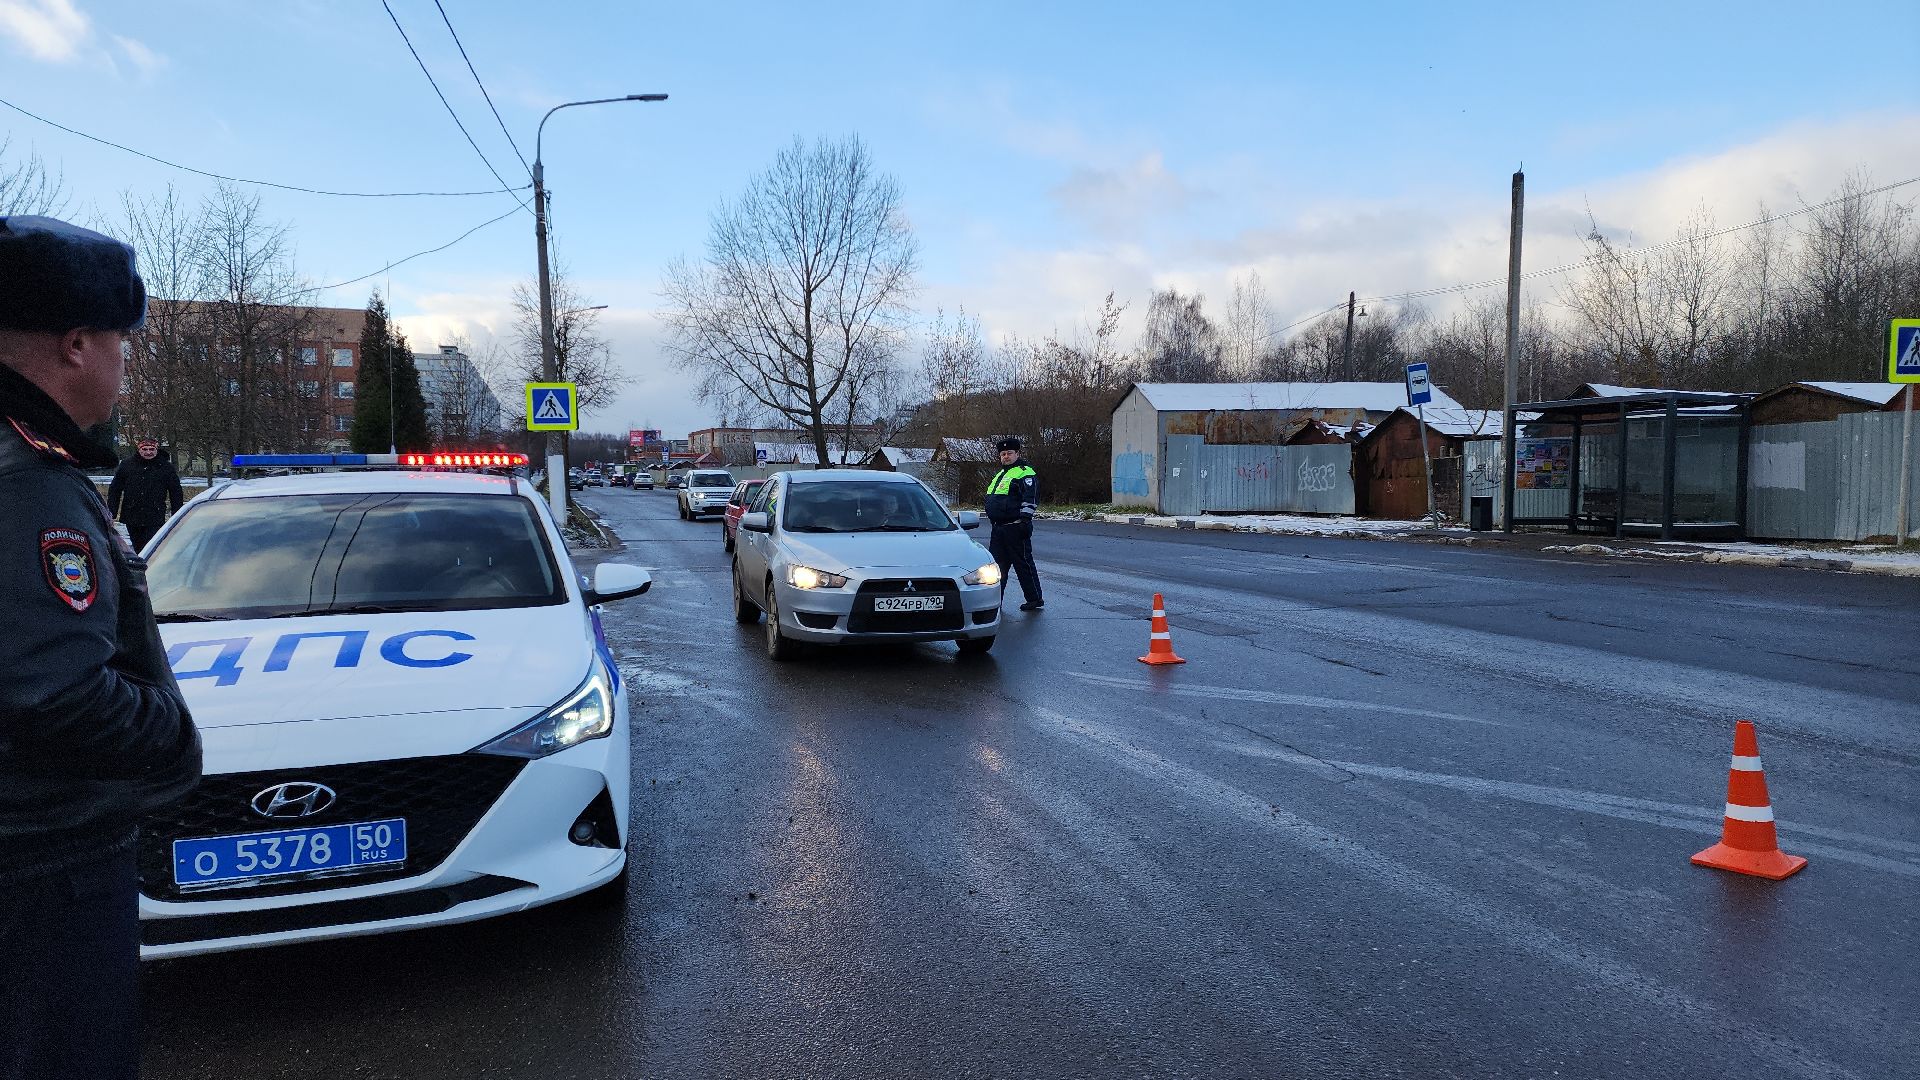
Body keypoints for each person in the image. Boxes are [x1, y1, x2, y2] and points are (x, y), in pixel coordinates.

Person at [0, 215, 202, 1080]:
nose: (126, 366)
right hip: (46, 865)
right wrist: (169, 731)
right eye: (123, 341)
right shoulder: (29, 485)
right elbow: (51, 692)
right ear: (77, 343)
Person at [984, 436, 1043, 611]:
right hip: (999, 528)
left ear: (1017, 453)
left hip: (1016, 526)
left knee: (1023, 564)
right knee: (996, 568)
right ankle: (994, 601)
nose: (1006, 457)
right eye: (1003, 454)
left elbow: (1030, 497)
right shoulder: (1000, 474)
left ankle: (1034, 599)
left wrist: (1025, 520)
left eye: (1009, 453)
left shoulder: (1025, 472)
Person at [107, 435, 184, 550]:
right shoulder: (127, 465)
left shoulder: (165, 467)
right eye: (145, 449)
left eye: (152, 449)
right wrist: (111, 513)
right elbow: (115, 489)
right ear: (139, 450)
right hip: (132, 514)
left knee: (151, 546)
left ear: (156, 450)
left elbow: (176, 492)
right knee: (137, 545)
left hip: (155, 515)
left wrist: (177, 514)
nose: (148, 452)